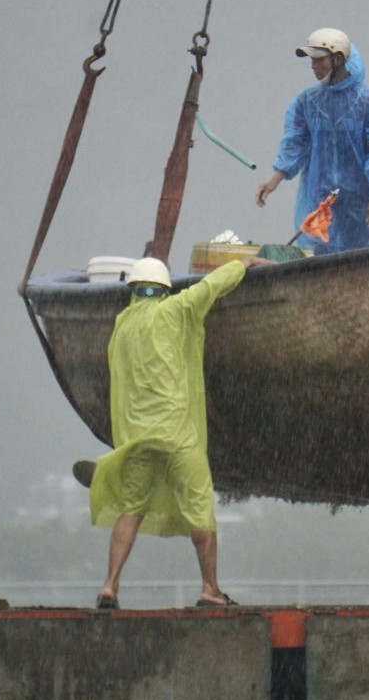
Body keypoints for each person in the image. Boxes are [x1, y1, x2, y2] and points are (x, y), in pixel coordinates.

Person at [75, 255, 262, 610]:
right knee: (199, 510)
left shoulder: (122, 327)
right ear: (165, 288)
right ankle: (210, 590)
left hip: (139, 439)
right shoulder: (175, 310)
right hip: (177, 434)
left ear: (133, 289)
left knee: (131, 508)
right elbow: (211, 287)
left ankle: (109, 587)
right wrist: (243, 263)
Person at [255, 27, 369, 255]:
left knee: (366, 258)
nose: (313, 66)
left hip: (362, 198)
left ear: (337, 59)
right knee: (326, 257)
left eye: (319, 60)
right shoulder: (309, 101)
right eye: (312, 60)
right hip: (324, 197)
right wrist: (274, 180)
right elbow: (296, 142)